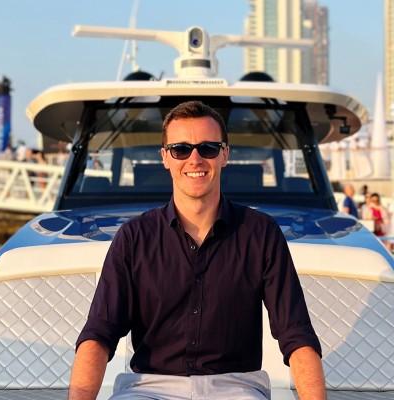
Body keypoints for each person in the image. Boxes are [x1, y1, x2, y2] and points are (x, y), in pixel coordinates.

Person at [68, 101, 326, 400]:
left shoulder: (261, 233)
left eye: (208, 148)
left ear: (225, 155)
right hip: (149, 389)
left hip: (236, 388)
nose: (195, 159)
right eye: (180, 149)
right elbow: (100, 333)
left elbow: (296, 334)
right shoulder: (134, 237)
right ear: (165, 157)